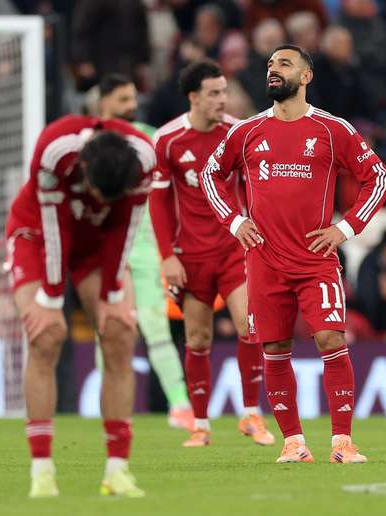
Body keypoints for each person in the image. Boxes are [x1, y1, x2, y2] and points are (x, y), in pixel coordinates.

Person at [200, 45, 386, 464]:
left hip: (315, 260)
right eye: (270, 64)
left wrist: (345, 228)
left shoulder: (331, 129)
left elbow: (378, 177)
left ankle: (342, 442)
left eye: (284, 64)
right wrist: (235, 221)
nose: (273, 70)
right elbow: (210, 174)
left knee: (330, 338)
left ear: (306, 77)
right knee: (274, 348)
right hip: (264, 260)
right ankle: (293, 443)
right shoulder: (247, 131)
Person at [5, 114, 155, 498]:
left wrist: (112, 295)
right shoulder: (55, 151)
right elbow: (54, 228)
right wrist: (51, 298)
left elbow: (127, 227)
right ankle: (42, 471)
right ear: (84, 168)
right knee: (47, 335)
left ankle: (117, 471)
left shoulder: (143, 159)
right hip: (37, 233)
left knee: (120, 334)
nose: (101, 201)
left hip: (98, 242)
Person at [150, 60, 274, 448]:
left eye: (225, 91)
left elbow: (256, 189)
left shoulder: (237, 133)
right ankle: (201, 425)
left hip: (233, 248)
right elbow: (158, 203)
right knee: (198, 337)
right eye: (215, 93)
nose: (223, 99)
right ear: (194, 97)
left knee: (250, 325)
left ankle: (251, 414)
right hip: (190, 255)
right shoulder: (168, 139)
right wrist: (167, 256)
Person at [97, 73, 194, 431]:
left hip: (144, 247)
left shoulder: (151, 138)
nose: (131, 106)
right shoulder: (87, 139)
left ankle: (180, 405)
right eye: (123, 99)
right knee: (108, 330)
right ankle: (108, 406)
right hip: (104, 248)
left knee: (156, 327)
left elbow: (176, 187)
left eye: (133, 99)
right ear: (104, 101)